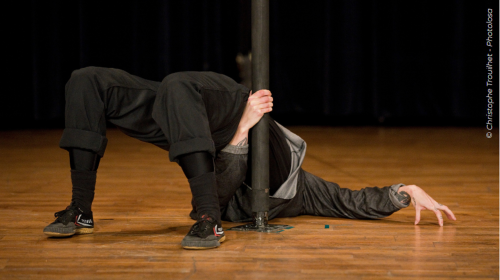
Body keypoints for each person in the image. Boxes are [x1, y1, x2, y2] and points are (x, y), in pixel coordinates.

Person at [43, 67, 456, 250]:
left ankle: (209, 224)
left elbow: (221, 186)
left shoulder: (275, 199)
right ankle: (80, 209)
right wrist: (405, 191)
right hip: (220, 119)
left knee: (175, 87)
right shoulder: (303, 188)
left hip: (217, 132)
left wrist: (241, 129)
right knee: (87, 81)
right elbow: (352, 201)